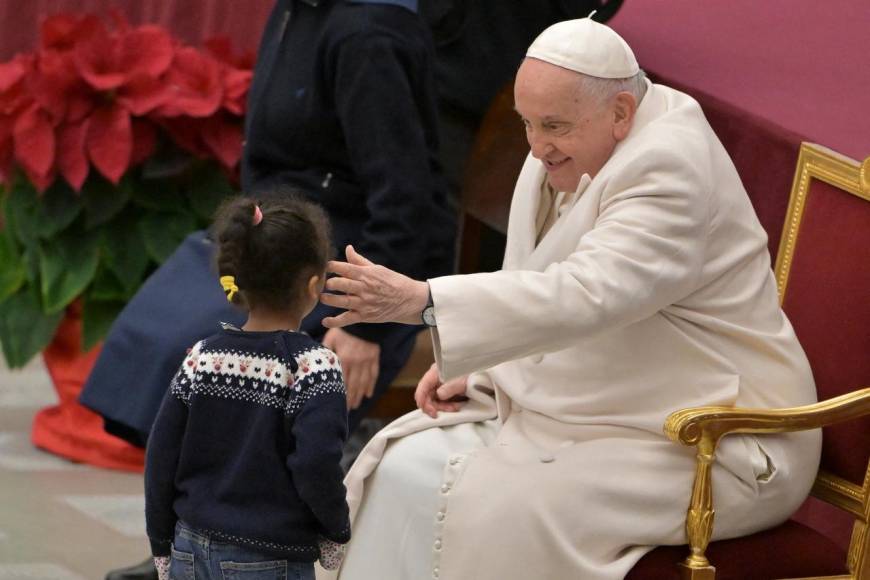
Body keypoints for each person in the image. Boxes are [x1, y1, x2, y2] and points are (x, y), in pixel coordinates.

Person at [315, 18, 821, 580]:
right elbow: (540, 277)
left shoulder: (671, 166)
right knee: (402, 466)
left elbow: (586, 293)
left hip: (716, 433)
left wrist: (422, 301)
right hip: (612, 401)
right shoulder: (572, 137)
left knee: (496, 510)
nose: (535, 146)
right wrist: (487, 364)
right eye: (526, 124)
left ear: (622, 112)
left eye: (551, 126)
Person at [83, 2, 454, 578]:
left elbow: (406, 197)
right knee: (158, 345)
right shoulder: (298, 9)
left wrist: (364, 325)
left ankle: (238, 547)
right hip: (278, 237)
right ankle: (196, 541)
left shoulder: (368, 32)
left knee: (213, 356)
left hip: (345, 263)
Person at [145, 195, 350, 580]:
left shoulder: (201, 357)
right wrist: (335, 530)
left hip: (189, 544)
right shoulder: (314, 366)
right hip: (269, 557)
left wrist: (161, 543)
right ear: (313, 285)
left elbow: (161, 456)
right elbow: (316, 461)